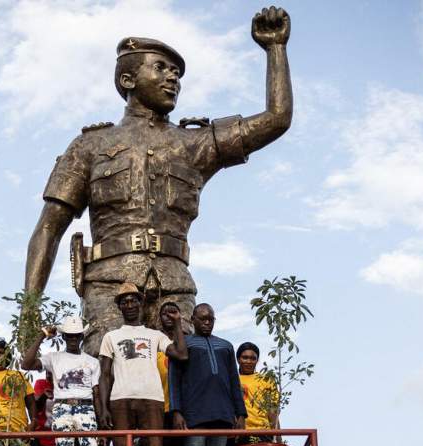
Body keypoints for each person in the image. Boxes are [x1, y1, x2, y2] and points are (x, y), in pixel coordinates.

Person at [23, 7, 294, 358]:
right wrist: (28, 315)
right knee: (108, 374)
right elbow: (48, 228)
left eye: (177, 73)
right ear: (128, 80)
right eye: (161, 68)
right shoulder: (89, 145)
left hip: (174, 287)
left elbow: (276, 119)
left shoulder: (193, 143)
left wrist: (276, 50)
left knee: (184, 376)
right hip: (108, 284)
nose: (173, 78)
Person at [98, 283, 187, 446]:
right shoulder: (111, 336)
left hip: (151, 400)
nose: (129, 305)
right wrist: (104, 409)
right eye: (124, 301)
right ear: (119, 307)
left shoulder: (154, 335)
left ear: (141, 304)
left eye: (133, 300)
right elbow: (105, 374)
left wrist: (177, 323)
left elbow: (181, 354)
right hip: (121, 400)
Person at [23, 316, 109, 446]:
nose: (72, 339)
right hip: (62, 408)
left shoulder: (92, 362)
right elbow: (26, 363)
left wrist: (101, 422)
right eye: (68, 336)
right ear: (63, 336)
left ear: (81, 336)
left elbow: (97, 393)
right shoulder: (54, 358)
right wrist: (42, 335)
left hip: (86, 407)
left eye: (75, 336)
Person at [169, 304, 247, 446]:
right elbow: (173, 379)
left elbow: (234, 380)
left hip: (222, 415)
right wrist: (176, 410)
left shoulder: (226, 346)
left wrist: (241, 413)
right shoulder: (184, 345)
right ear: (192, 319)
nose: (206, 322)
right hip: (194, 416)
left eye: (210, 319)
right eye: (202, 319)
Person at [158, 301, 186, 446]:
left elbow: (183, 357)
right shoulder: (156, 345)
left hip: (185, 412)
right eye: (164, 314)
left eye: (173, 313)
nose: (168, 316)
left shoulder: (187, 343)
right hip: (161, 411)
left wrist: (178, 326)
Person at [236, 342, 280, 439]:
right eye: (245, 357)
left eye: (253, 358)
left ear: (257, 360)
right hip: (238, 433)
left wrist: (277, 437)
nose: (249, 361)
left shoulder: (266, 380)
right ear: (238, 359)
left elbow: (273, 412)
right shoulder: (231, 380)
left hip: (262, 432)